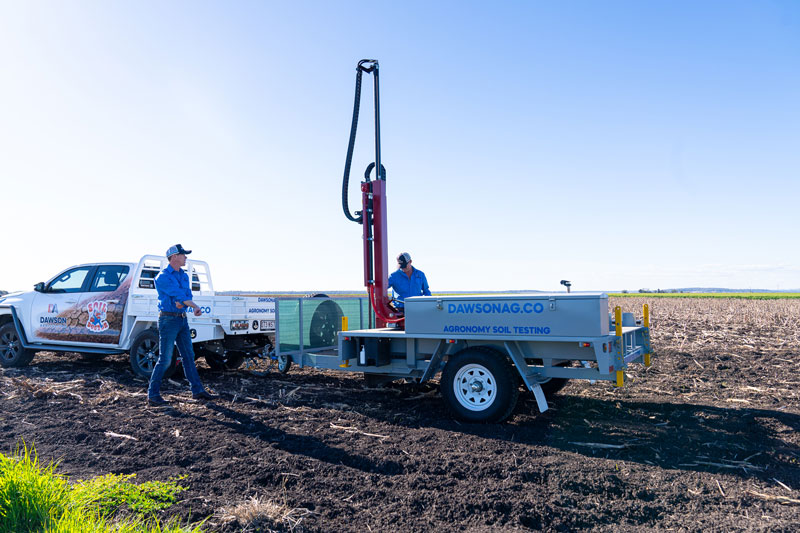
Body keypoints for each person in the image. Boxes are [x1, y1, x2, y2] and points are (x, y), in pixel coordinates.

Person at [147, 244, 217, 406]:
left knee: (188, 357)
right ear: (174, 257)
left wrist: (185, 304)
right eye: (183, 255)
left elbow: (186, 295)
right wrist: (193, 306)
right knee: (165, 359)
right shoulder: (162, 277)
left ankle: (197, 390)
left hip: (181, 318)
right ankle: (153, 394)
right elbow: (178, 295)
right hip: (168, 320)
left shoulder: (184, 276)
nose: (186, 257)